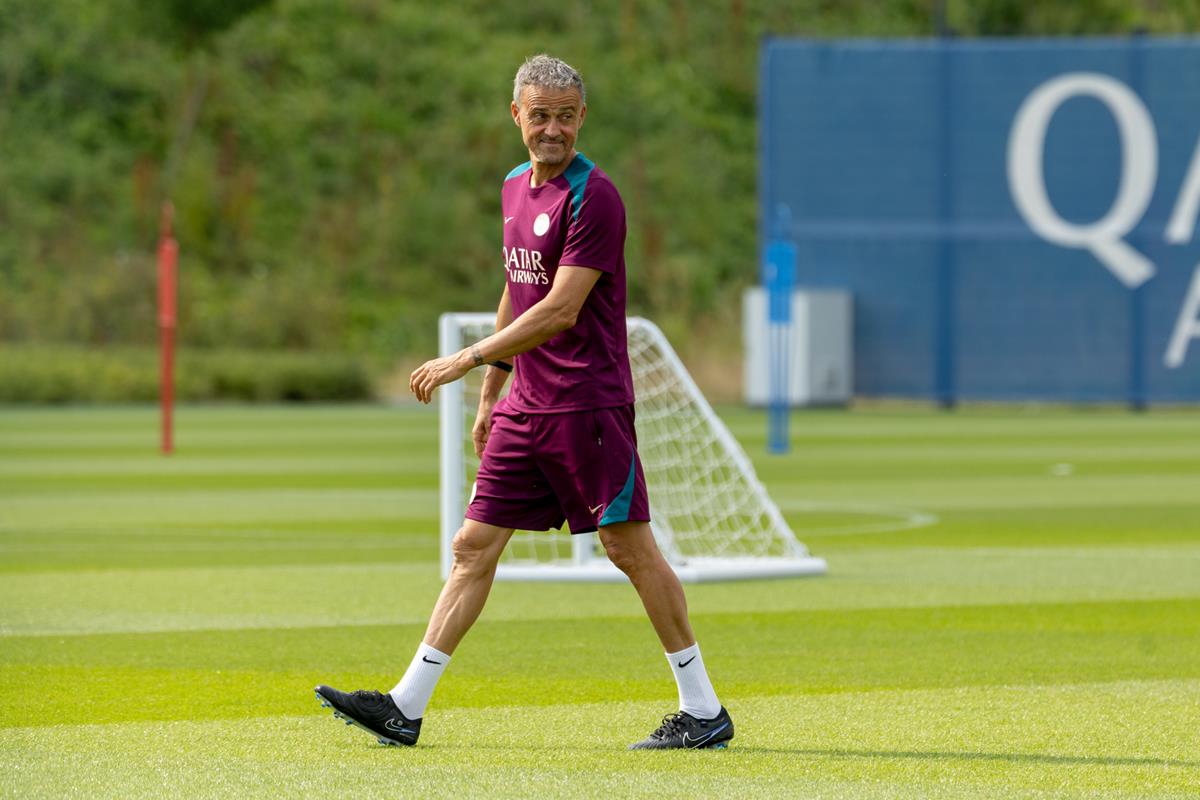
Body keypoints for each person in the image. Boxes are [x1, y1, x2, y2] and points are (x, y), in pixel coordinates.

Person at [315, 54, 733, 751]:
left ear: (582, 119)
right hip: (525, 405)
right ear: (516, 116)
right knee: (472, 545)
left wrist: (464, 358)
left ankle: (702, 709)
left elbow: (562, 310)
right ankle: (405, 706)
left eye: (565, 116)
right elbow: (519, 289)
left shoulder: (595, 196)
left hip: (587, 406)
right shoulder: (514, 188)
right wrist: (490, 391)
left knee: (628, 549)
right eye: (539, 115)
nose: (552, 129)